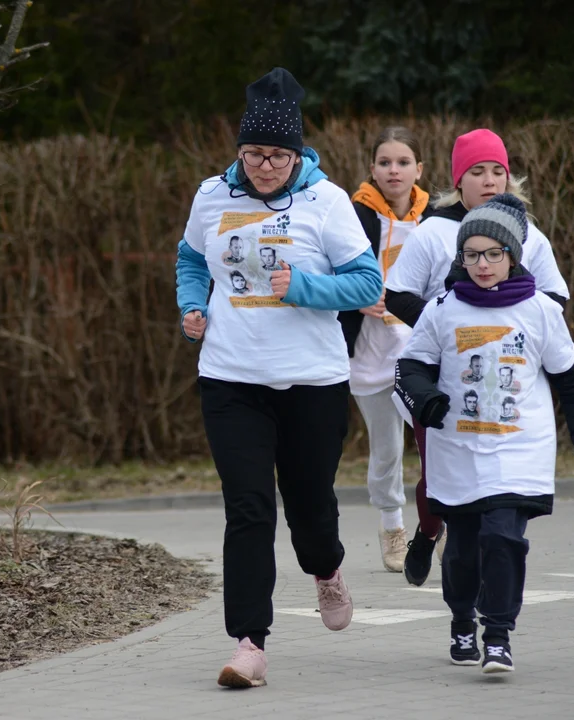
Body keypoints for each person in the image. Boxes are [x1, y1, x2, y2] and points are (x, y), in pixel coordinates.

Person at [175, 67, 384, 689]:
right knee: (248, 510)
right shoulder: (212, 195)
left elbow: (367, 284)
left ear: (298, 155)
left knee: (311, 512)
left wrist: (304, 288)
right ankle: (249, 643)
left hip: (312, 383)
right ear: (240, 152)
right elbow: (191, 257)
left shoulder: (328, 202)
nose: (266, 167)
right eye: (255, 154)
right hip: (231, 378)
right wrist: (191, 304)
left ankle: (326, 569)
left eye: (278, 156)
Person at [394, 193, 574, 674]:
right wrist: (426, 400)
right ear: (460, 258)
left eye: (493, 254)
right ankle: (462, 621)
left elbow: (573, 374)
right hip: (458, 449)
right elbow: (411, 367)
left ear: (512, 255)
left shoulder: (539, 310)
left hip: (518, 449)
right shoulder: (443, 309)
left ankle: (498, 635)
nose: (483, 264)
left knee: (504, 538)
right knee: (465, 548)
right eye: (472, 255)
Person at [384, 128, 571, 587]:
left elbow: (555, 298)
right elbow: (395, 294)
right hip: (442, 375)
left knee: (497, 479)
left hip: (504, 377)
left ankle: (488, 554)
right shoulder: (434, 231)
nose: (489, 180)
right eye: (477, 171)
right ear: (457, 181)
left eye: (497, 171)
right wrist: (449, 323)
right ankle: (428, 533)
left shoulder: (529, 234)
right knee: (438, 475)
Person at [337, 126, 435, 573]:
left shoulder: (435, 218)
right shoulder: (352, 214)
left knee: (437, 440)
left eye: (402, 162)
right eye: (384, 162)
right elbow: (327, 272)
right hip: (370, 348)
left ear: (420, 169)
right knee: (387, 447)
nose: (393, 170)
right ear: (372, 169)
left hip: (421, 345)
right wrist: (356, 297)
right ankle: (392, 525)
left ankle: (438, 520)